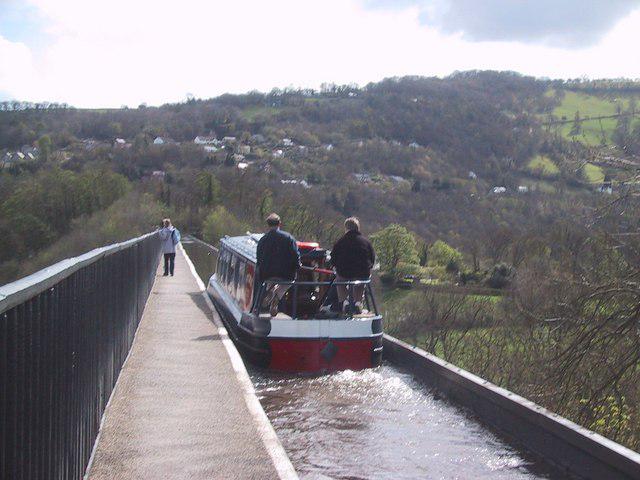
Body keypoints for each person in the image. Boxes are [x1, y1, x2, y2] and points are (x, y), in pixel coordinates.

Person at [256, 213, 300, 316]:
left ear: (268, 224)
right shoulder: (289, 238)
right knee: (289, 282)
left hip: (267, 274)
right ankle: (277, 296)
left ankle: (271, 291)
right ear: (280, 223)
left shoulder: (263, 240)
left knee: (269, 282)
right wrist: (297, 265)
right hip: (286, 275)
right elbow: (295, 255)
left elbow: (259, 258)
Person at [330, 217, 375, 313]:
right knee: (361, 282)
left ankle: (345, 302)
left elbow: (333, 259)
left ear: (346, 228)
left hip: (344, 272)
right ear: (358, 228)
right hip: (362, 273)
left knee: (339, 281)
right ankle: (358, 303)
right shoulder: (366, 242)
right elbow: (372, 259)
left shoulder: (340, 242)